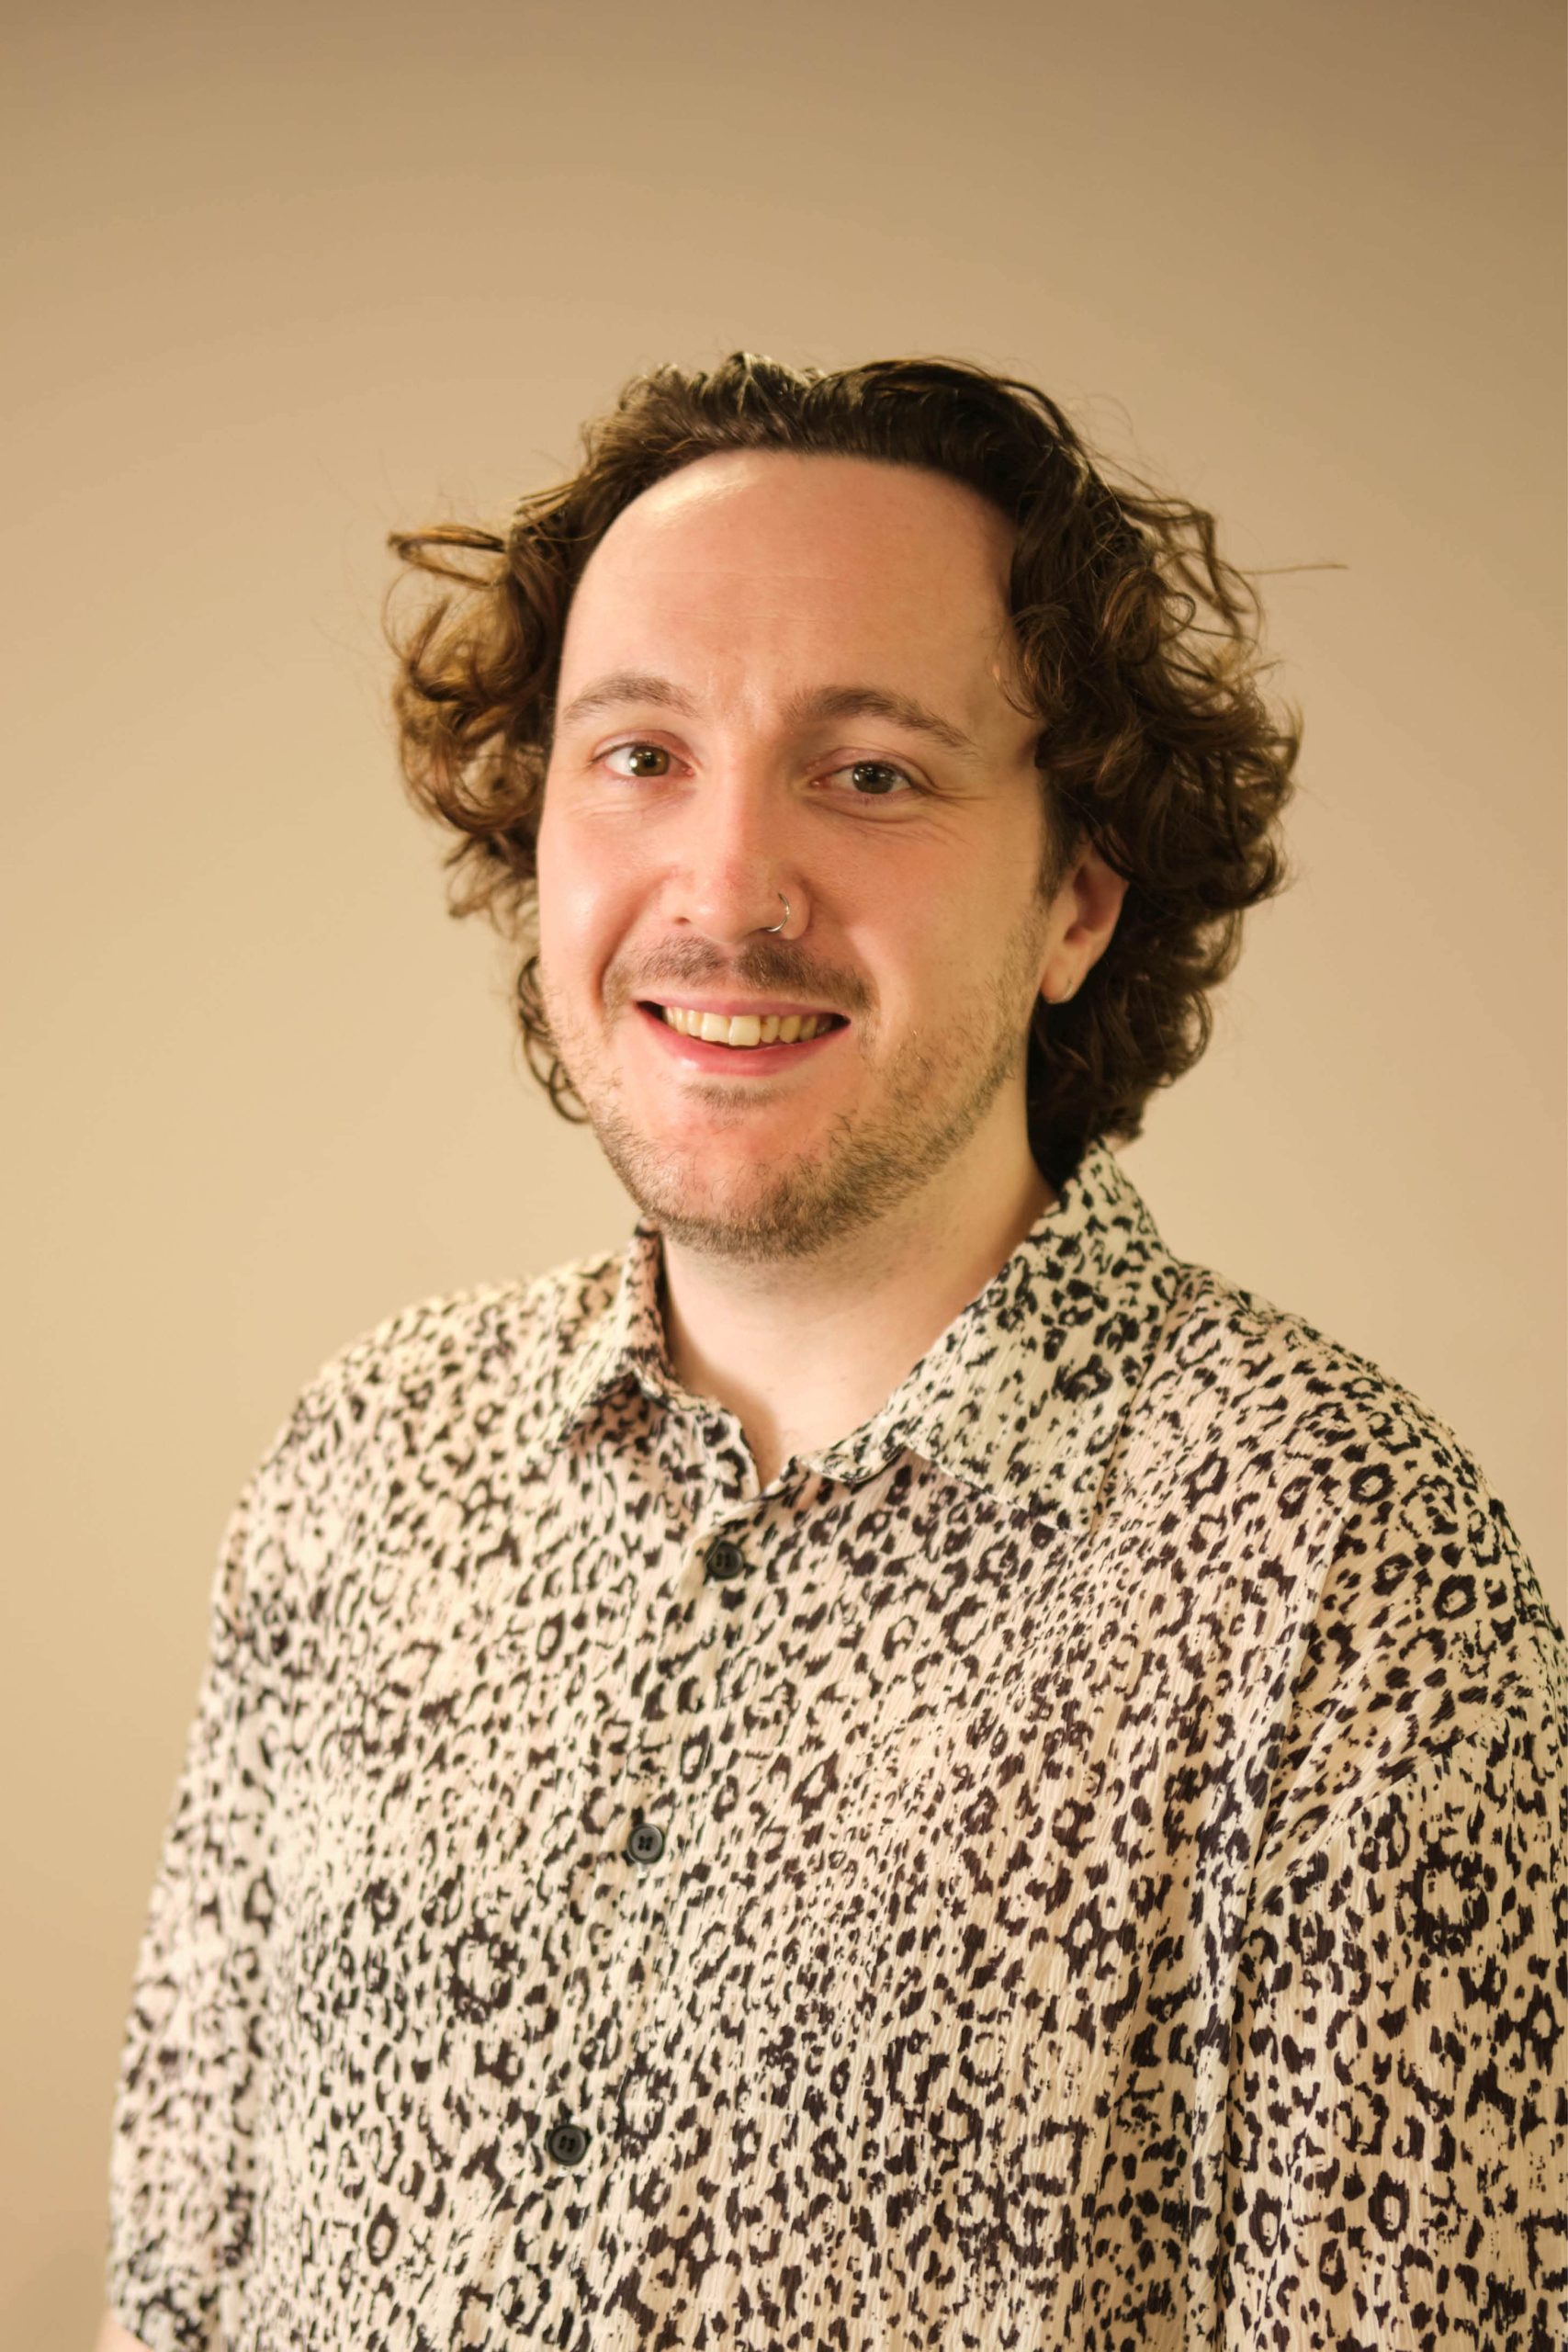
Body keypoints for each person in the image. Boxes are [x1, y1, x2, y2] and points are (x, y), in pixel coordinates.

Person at [98, 352, 1565, 2352]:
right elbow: (178, 2278)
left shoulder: (1334, 1570)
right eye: (639, 754)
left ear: (1075, 899)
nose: (724, 888)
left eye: (870, 773)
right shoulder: (365, 1455)